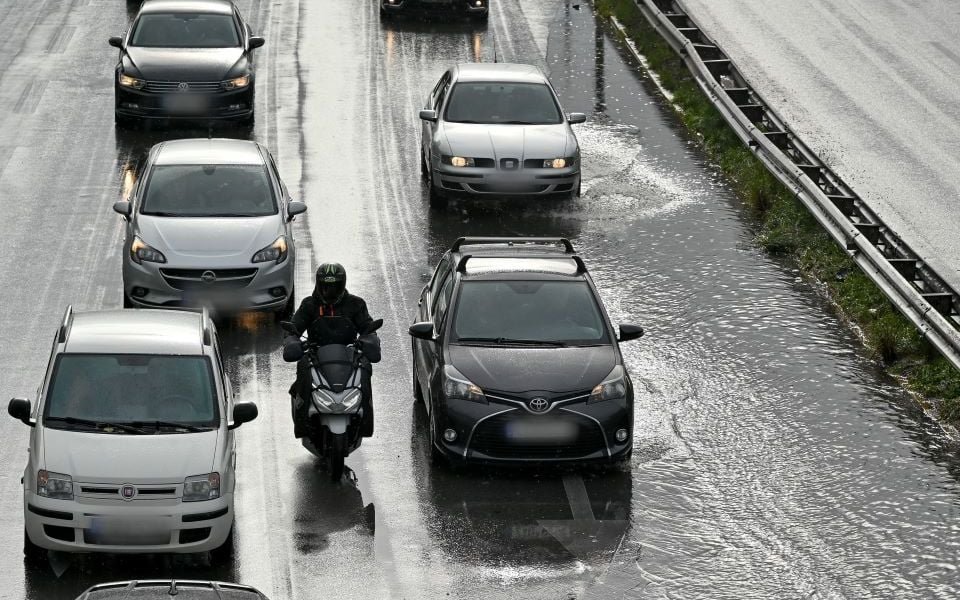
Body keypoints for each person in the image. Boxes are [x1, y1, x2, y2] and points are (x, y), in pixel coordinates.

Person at [287, 263, 376, 438]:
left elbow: (368, 327)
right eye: (326, 286)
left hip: (349, 354)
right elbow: (294, 328)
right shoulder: (309, 304)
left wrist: (370, 340)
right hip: (316, 355)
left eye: (335, 286)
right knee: (302, 367)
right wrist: (292, 341)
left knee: (365, 367)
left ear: (342, 285)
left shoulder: (356, 304)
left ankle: (366, 421)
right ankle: (303, 422)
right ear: (318, 285)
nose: (330, 290)